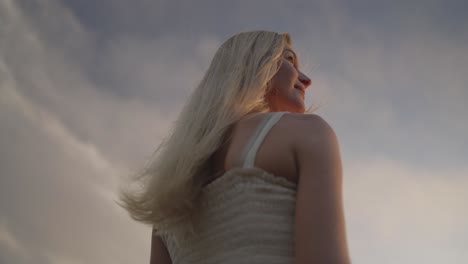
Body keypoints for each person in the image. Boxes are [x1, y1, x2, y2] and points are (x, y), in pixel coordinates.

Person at [119, 30, 351, 264]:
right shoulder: (309, 133)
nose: (307, 79)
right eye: (289, 60)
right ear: (255, 64)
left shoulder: (169, 189)